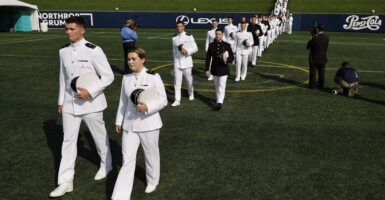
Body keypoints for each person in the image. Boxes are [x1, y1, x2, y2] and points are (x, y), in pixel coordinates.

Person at [50, 16, 114, 198]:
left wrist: (90, 91)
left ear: (82, 30)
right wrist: (61, 102)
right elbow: (63, 78)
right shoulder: (63, 51)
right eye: (67, 29)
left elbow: (108, 76)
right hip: (70, 104)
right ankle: (65, 181)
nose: (68, 32)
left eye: (71, 29)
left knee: (99, 137)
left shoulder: (93, 50)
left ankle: (106, 164)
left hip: (91, 103)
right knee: (68, 141)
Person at [112, 48, 167, 200]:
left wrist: (148, 107)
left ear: (143, 59)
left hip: (149, 123)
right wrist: (119, 120)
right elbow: (123, 102)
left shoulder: (153, 77)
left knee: (151, 154)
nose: (130, 62)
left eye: (133, 59)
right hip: (130, 124)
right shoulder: (126, 78)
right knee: (127, 158)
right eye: (128, 59)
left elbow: (163, 100)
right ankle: (120, 196)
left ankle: (152, 180)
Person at [205, 29, 234, 110]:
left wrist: (227, 60)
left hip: (223, 69)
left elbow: (232, 57)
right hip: (214, 69)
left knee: (221, 86)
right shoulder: (211, 45)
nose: (218, 35)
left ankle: (219, 102)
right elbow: (208, 58)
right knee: (217, 86)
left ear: (222, 35)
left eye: (219, 34)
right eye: (216, 34)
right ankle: (219, 100)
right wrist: (207, 69)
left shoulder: (227, 45)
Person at [171, 21, 198, 107]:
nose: (178, 28)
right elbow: (174, 51)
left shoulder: (189, 36)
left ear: (183, 27)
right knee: (177, 82)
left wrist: (187, 51)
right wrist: (175, 61)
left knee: (189, 80)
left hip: (187, 62)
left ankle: (191, 93)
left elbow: (195, 48)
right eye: (177, 26)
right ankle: (177, 99)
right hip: (177, 63)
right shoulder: (174, 38)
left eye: (180, 26)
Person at [306, 24, 329, 89]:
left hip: (314, 58)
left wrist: (311, 39)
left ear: (318, 30)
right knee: (321, 73)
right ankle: (321, 86)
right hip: (322, 58)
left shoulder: (315, 38)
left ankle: (312, 85)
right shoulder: (326, 38)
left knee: (313, 73)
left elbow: (308, 46)